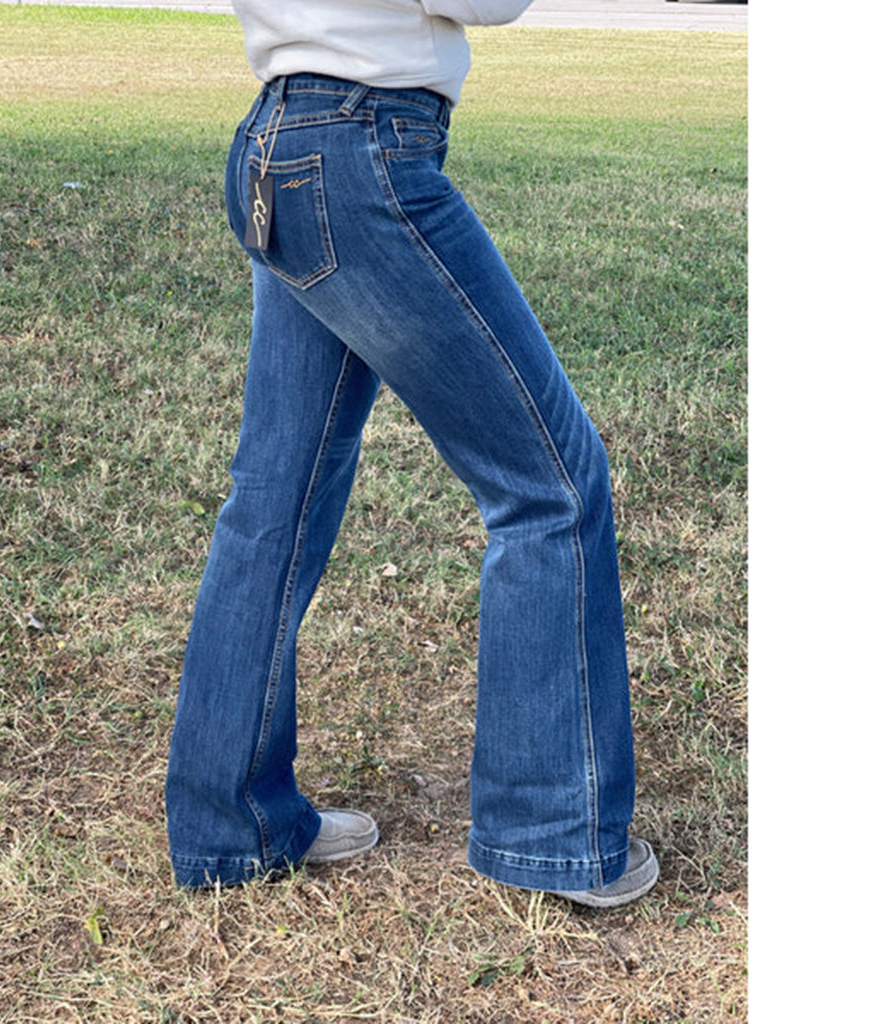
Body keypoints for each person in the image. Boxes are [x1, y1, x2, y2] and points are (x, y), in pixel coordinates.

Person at [165, 0, 659, 908]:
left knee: (276, 499)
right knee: (552, 486)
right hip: (363, 149)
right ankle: (550, 835)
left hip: (281, 143)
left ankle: (230, 826)